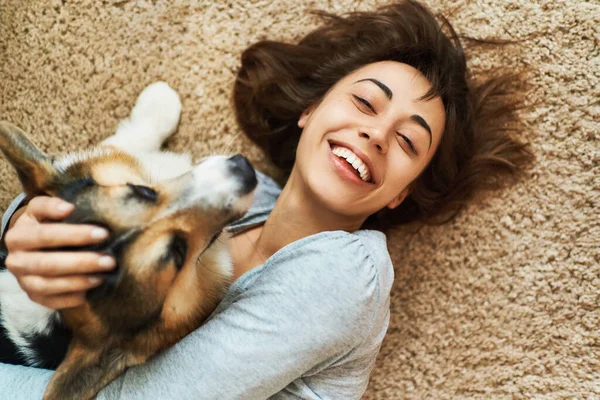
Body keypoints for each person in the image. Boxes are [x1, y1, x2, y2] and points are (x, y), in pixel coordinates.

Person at [0, 1, 533, 399]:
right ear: (310, 111)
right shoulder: (243, 194)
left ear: (401, 195)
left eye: (408, 142)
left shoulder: (350, 277)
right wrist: (24, 221)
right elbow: (94, 201)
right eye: (366, 103)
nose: (376, 135)